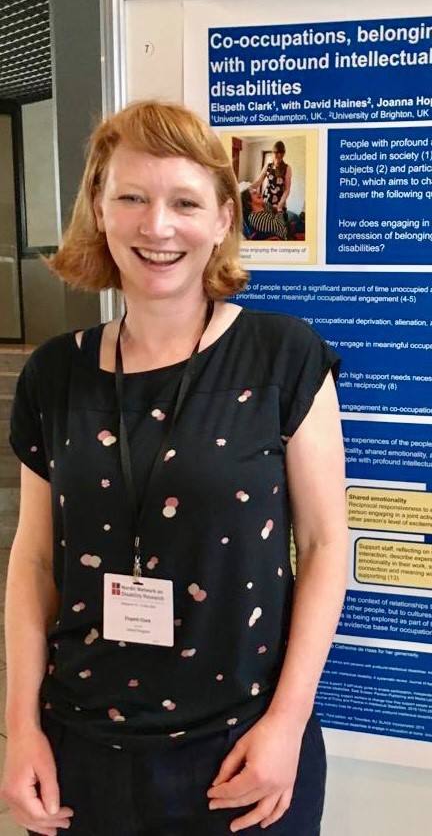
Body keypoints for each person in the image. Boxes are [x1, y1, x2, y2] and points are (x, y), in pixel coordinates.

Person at [1, 101, 347, 835]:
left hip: (241, 748)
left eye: (184, 202)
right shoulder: (54, 375)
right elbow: (33, 561)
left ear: (224, 218)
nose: (156, 227)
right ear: (99, 209)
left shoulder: (283, 357)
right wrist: (20, 728)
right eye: (131, 197)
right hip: (81, 748)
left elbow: (322, 548)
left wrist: (287, 722)